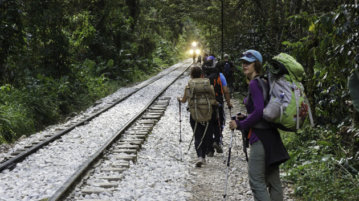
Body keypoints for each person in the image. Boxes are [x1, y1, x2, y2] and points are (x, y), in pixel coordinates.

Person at [229, 50, 289, 201]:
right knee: (274, 182)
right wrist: (246, 117)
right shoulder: (265, 81)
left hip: (260, 138)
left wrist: (240, 124)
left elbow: (259, 112)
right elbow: (263, 110)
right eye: (243, 62)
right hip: (272, 136)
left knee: (256, 180)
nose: (244, 65)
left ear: (256, 64)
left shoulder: (255, 84)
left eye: (248, 63)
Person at [178, 66, 217, 167]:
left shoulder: (189, 86)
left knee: (197, 135)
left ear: (191, 75)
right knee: (206, 135)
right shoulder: (207, 85)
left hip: (194, 114)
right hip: (207, 113)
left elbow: (184, 100)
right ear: (201, 75)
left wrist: (179, 99)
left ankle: (200, 156)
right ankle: (204, 156)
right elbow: (213, 99)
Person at [202, 55, 233, 156]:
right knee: (219, 122)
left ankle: (209, 149)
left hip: (206, 103)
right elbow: (225, 91)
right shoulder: (220, 76)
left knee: (208, 124)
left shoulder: (203, 75)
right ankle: (217, 140)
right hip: (218, 102)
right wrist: (228, 103)